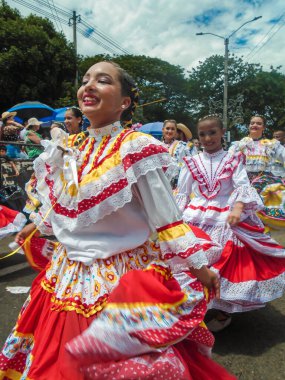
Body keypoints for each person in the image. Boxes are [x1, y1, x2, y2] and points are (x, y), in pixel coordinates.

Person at [0, 62, 236, 380]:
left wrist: (201, 270)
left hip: (118, 280)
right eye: (85, 81)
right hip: (67, 273)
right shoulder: (69, 148)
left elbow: (166, 219)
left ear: (124, 102)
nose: (89, 86)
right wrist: (39, 223)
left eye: (103, 80)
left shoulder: (136, 148)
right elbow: (68, 201)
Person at [175, 114, 285, 332]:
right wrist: (174, 222)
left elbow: (241, 185)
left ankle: (224, 311)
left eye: (212, 132)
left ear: (222, 133)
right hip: (195, 215)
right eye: (203, 134)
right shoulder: (191, 161)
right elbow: (183, 193)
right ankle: (195, 307)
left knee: (228, 264)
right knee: (192, 262)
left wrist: (237, 208)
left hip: (226, 216)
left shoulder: (233, 159)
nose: (207, 138)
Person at [229, 115, 285, 232]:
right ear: (249, 126)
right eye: (252, 123)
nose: (255, 125)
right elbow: (227, 162)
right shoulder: (239, 145)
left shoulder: (270, 144)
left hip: (265, 180)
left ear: (263, 127)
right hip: (243, 182)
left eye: (258, 123)